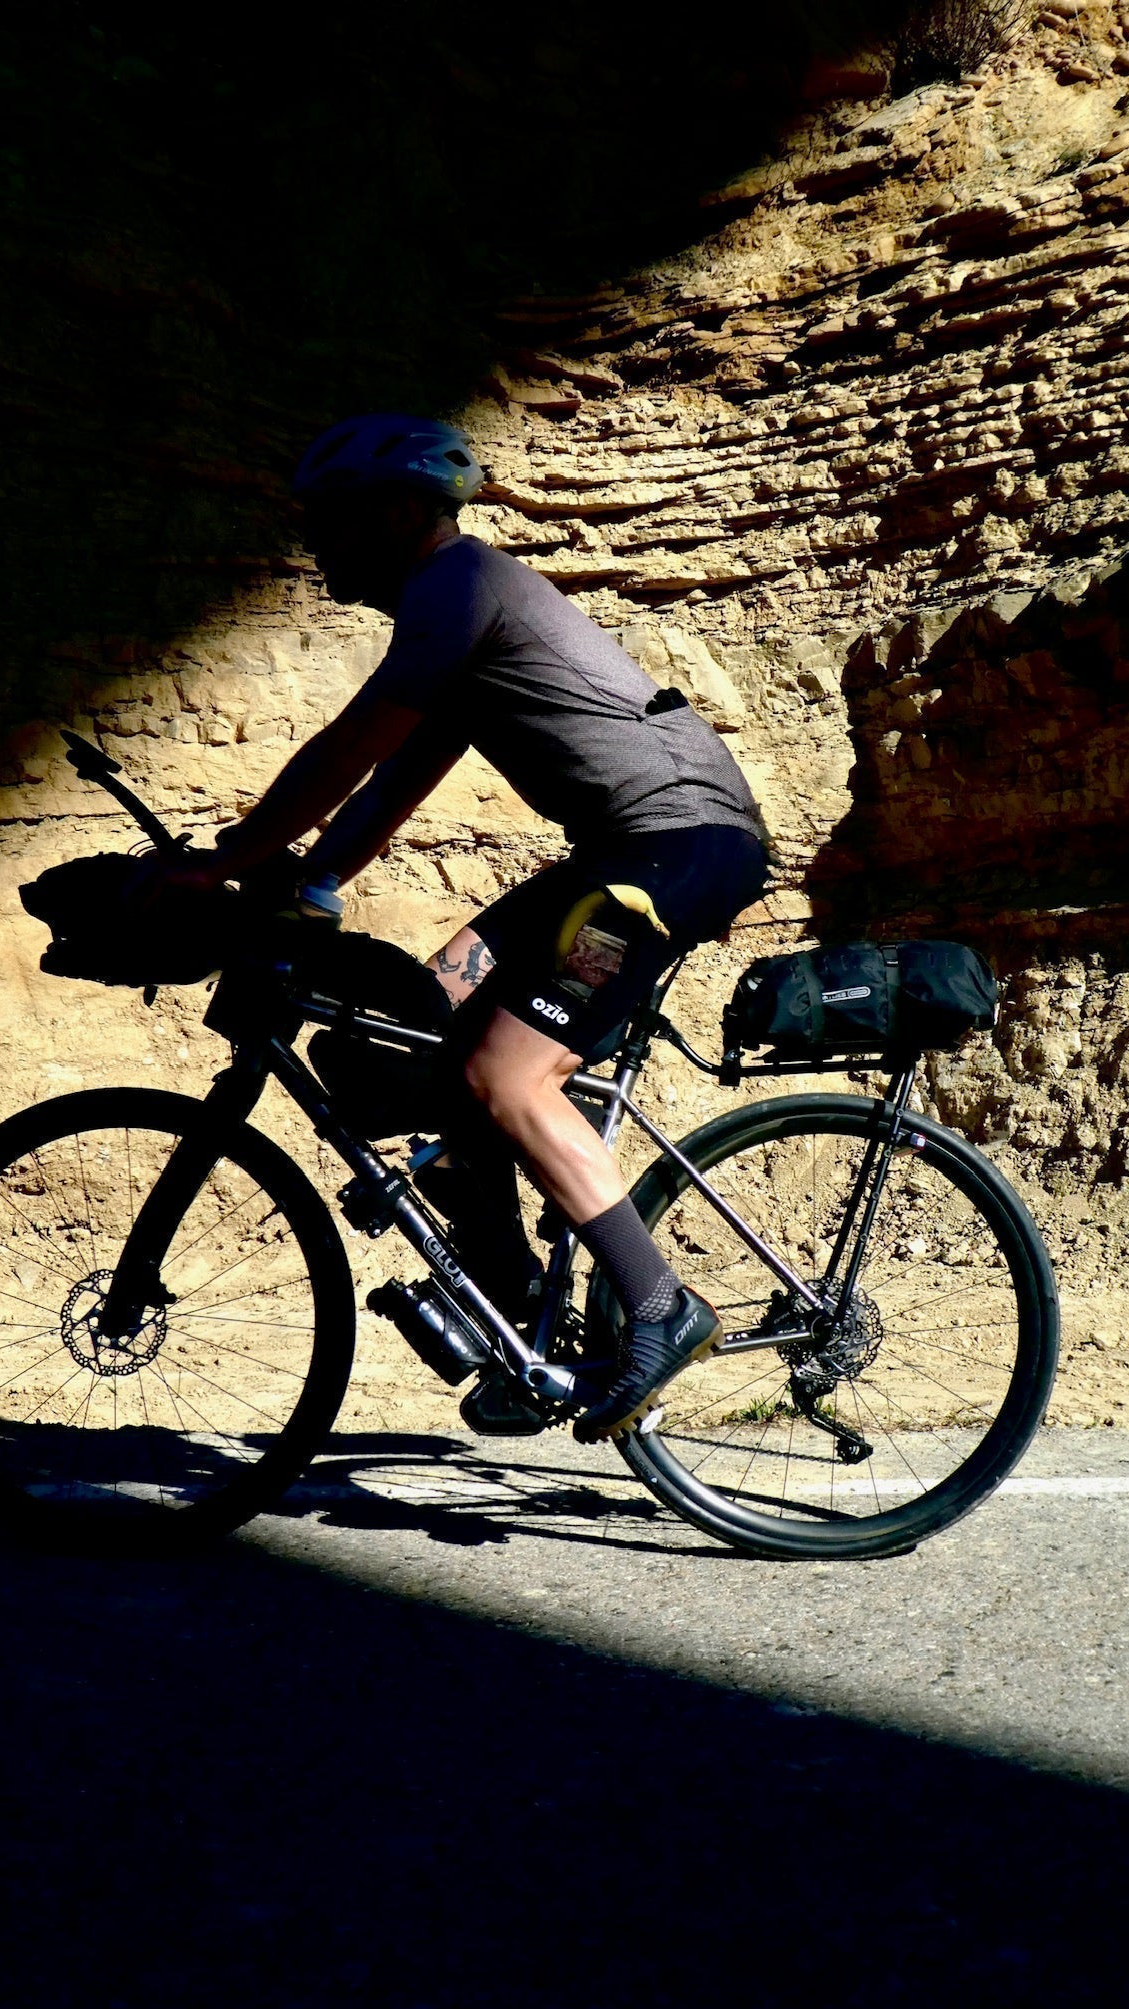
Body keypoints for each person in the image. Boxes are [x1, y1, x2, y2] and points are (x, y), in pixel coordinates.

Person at [173, 414, 767, 1440]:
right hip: (618, 858)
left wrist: (222, 858)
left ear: (402, 511)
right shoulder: (456, 615)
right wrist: (311, 879)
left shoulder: (458, 585)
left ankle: (662, 1305)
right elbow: (393, 783)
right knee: (427, 1024)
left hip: (670, 853)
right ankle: (520, 1318)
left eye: (334, 521)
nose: (317, 543)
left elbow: (347, 747)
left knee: (509, 1072)